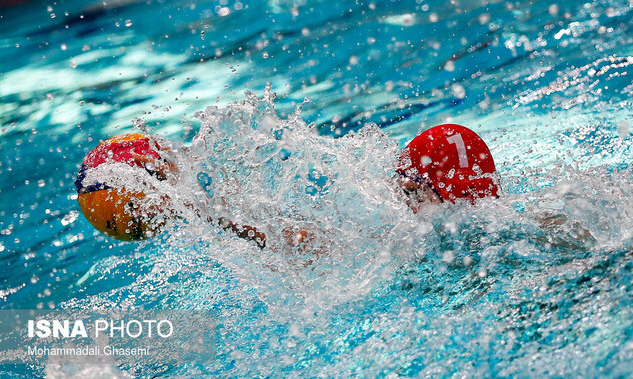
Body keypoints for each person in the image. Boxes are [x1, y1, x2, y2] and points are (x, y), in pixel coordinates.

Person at [76, 125, 500, 245]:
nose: (394, 193)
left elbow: (307, 247)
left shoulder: (421, 244)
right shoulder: (510, 226)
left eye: (406, 187)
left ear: (430, 190)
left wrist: (203, 212)